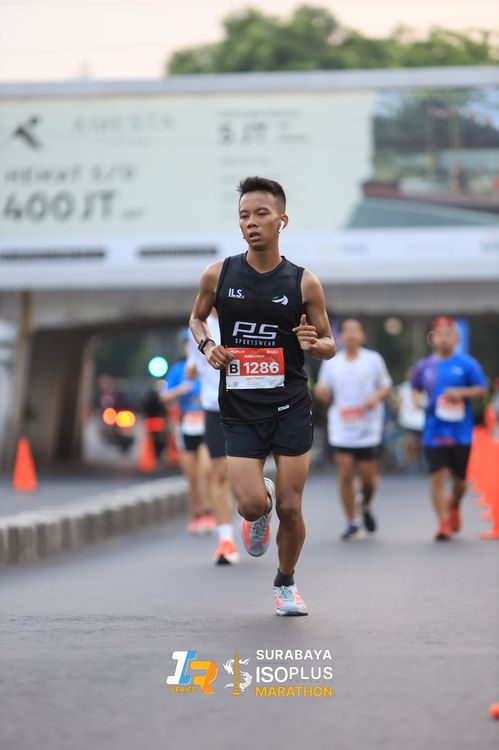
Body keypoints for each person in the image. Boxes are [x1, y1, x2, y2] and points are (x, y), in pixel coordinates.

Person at [190, 176, 336, 616]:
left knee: (292, 508)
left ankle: (285, 582)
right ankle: (260, 507)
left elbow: (328, 343)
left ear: (282, 220)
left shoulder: (304, 282)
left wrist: (314, 343)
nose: (251, 223)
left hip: (290, 405)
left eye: (261, 214)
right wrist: (207, 345)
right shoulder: (218, 274)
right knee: (252, 505)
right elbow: (196, 319)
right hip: (239, 408)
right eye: (243, 216)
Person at [314, 319, 392, 541]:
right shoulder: (332, 363)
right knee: (345, 473)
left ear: (362, 336)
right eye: (346, 331)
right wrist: (321, 392)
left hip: (368, 427)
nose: (351, 335)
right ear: (339, 337)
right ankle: (352, 522)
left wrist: (375, 397)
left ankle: (364, 505)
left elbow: (386, 387)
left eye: (355, 331)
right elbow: (321, 388)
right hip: (342, 426)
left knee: (368, 480)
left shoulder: (373, 360)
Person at [411, 316, 487, 541]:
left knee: (460, 482)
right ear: (432, 339)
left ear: (456, 338)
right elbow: (415, 388)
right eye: (439, 335)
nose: (444, 339)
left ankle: (454, 503)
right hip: (434, 431)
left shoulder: (467, 364)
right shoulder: (424, 366)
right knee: (437, 477)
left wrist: (460, 393)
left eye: (448, 335)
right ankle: (443, 523)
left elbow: (482, 389)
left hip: (460, 433)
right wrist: (417, 399)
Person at [186, 309, 239, 565]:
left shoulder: (244, 316)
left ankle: (257, 512)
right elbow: (192, 367)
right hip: (213, 406)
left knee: (244, 473)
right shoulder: (197, 327)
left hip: (246, 407)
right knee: (218, 472)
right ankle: (226, 540)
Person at [160, 337, 214, 535]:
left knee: (205, 470)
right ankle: (196, 515)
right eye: (189, 344)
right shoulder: (178, 370)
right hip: (186, 425)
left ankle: (208, 512)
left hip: (207, 424)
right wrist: (179, 390)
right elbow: (163, 397)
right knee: (191, 476)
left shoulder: (210, 364)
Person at [395, 368, 425, 473]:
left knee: (422, 444)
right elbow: (398, 404)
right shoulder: (403, 388)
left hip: (422, 422)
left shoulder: (424, 386)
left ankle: (420, 462)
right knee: (410, 443)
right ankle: (412, 464)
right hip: (408, 421)